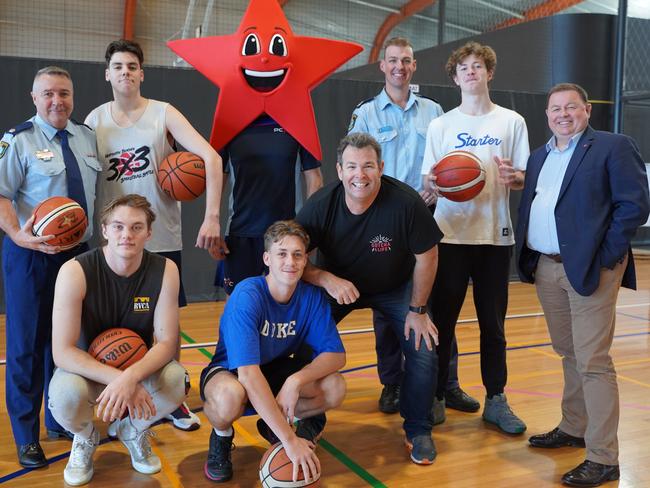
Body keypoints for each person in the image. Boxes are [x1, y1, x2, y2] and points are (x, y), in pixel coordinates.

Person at [85, 39, 223, 431]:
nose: (125, 72)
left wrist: (211, 216)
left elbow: (210, 159)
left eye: (132, 66)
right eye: (118, 66)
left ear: (142, 74)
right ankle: (120, 396)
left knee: (166, 328)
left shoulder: (163, 114)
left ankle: (171, 398)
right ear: (107, 74)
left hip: (161, 236)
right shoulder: (95, 121)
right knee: (115, 327)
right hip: (116, 244)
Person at [516, 83, 649, 487]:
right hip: (547, 268)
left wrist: (607, 254)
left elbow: (636, 204)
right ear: (547, 114)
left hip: (592, 268)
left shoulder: (612, 146)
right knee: (568, 352)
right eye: (555, 108)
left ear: (587, 110)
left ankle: (604, 458)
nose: (562, 114)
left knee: (592, 361)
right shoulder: (540, 156)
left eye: (570, 107)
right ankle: (574, 427)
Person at [348, 36, 478, 419]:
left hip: (428, 222)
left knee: (436, 306)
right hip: (385, 222)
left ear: (414, 65)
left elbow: (448, 163)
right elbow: (356, 164)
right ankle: (392, 383)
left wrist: (442, 186)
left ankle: (446, 384)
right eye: (392, 60)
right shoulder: (367, 112)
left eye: (406, 60)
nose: (399, 66)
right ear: (383, 66)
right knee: (386, 309)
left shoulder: (435, 111)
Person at [296, 133, 442, 465]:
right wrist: (326, 278)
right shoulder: (321, 205)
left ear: (381, 168)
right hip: (340, 285)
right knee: (305, 343)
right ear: (339, 170)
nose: (359, 175)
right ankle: (311, 419)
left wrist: (418, 309)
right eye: (351, 166)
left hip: (395, 286)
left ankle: (418, 429)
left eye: (367, 166)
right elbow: (292, 258)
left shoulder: (405, 202)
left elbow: (428, 256)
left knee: (422, 348)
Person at [421, 41, 528, 434]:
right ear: (454, 76)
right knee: (442, 323)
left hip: (495, 238)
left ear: (489, 72)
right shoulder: (441, 125)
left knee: (493, 326)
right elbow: (428, 181)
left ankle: (496, 400)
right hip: (450, 236)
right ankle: (435, 395)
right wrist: (431, 186)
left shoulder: (511, 121)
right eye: (463, 67)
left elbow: (522, 179)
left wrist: (513, 178)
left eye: (478, 65)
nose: (470, 71)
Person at [49, 194, 188, 486]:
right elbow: (62, 352)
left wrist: (131, 378)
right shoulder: (75, 271)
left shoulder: (166, 270)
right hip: (88, 369)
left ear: (149, 233)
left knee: (177, 380)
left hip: (138, 367)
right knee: (63, 396)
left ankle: (132, 430)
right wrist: (119, 379)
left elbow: (166, 342)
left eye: (137, 227)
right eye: (118, 226)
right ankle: (86, 437)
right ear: (104, 230)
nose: (127, 235)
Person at [0, 66, 101, 468]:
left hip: (79, 255)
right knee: (26, 345)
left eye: (64, 93)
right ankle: (26, 434)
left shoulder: (87, 138)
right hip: (30, 255)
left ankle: (59, 416)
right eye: (48, 94)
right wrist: (18, 236)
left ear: (73, 97)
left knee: (66, 344)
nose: (57, 101)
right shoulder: (17, 140)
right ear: (34, 97)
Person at [200, 220, 345, 483]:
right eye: (282, 254)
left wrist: (295, 380)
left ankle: (272, 424)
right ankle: (221, 437)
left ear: (305, 260)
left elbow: (336, 355)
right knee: (228, 398)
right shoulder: (248, 295)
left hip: (276, 367)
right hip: (231, 371)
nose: (290, 261)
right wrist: (289, 440)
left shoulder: (311, 297)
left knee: (334, 387)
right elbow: (247, 374)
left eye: (297, 254)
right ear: (267, 258)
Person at [215, 114, 323, 295]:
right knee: (238, 305)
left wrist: (309, 230)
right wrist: (212, 222)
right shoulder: (231, 121)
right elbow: (217, 176)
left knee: (286, 306)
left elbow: (315, 180)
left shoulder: (296, 121)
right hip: (240, 232)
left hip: (286, 234)